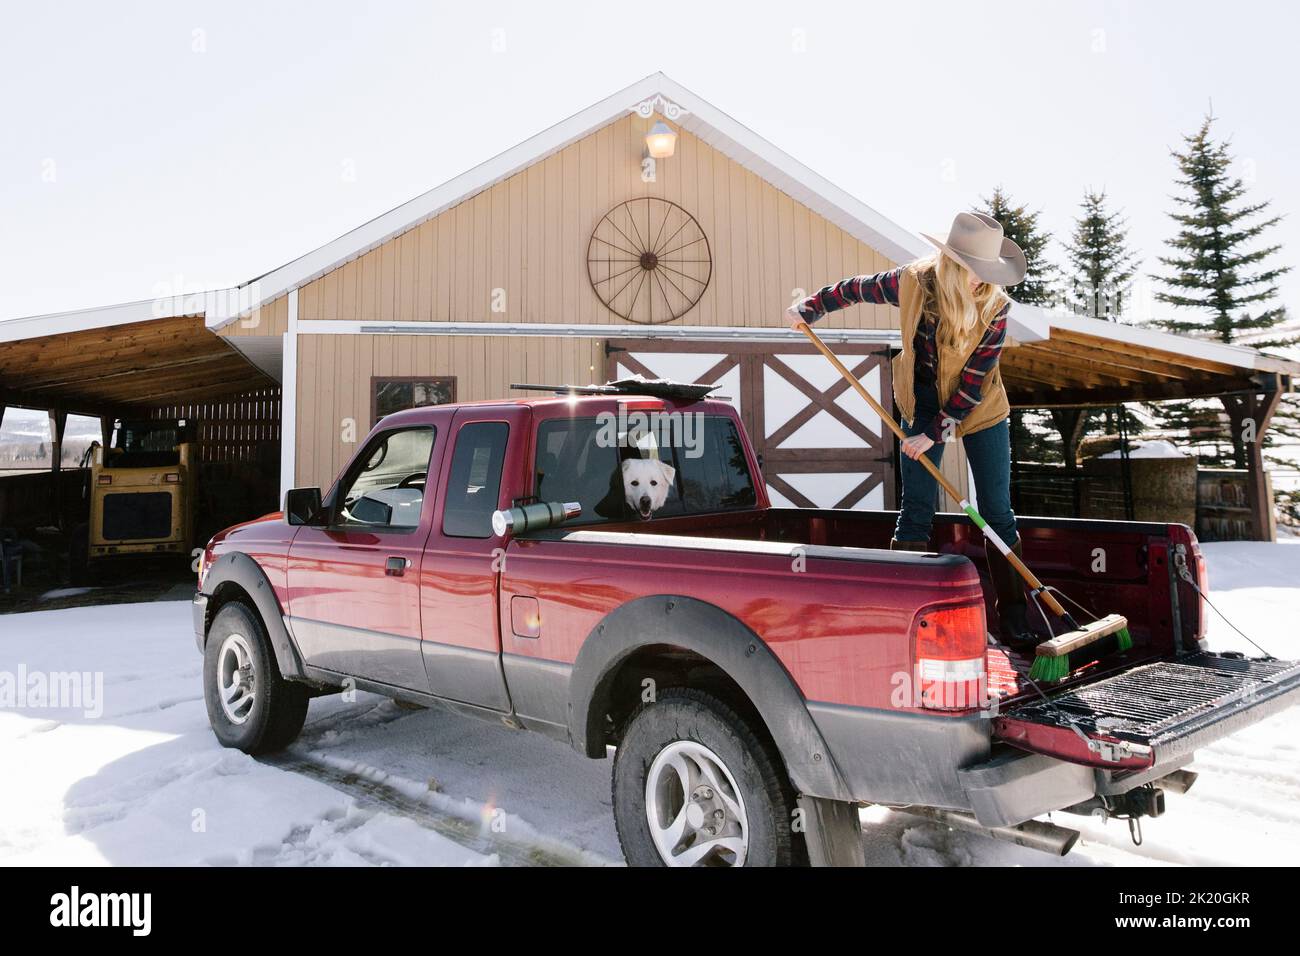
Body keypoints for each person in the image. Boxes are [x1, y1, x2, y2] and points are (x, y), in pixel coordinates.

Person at [787, 212, 1033, 645]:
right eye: (977, 273)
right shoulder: (914, 282)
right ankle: (902, 613)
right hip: (919, 401)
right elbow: (855, 288)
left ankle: (1014, 617)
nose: (983, 283)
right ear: (955, 265)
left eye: (990, 274)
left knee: (997, 510)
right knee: (916, 507)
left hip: (979, 407)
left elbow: (974, 382)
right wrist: (811, 307)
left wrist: (936, 432)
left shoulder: (996, 307)